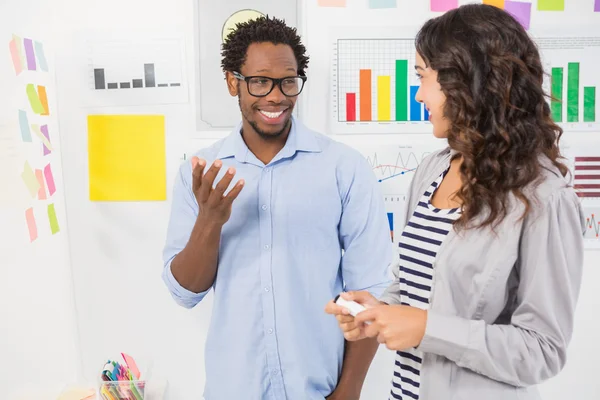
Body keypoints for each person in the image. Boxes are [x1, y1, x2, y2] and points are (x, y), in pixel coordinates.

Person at [325, 4, 586, 400]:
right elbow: (414, 288)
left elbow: (543, 351)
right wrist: (380, 311)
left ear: (466, 82)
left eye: (423, 78)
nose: (417, 94)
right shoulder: (433, 169)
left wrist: (427, 329)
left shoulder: (543, 197)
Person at [162, 16, 393, 400]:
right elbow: (185, 292)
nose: (276, 96)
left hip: (318, 390)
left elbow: (368, 289)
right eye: (259, 81)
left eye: (288, 81)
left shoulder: (343, 167)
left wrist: (349, 390)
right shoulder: (202, 173)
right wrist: (210, 221)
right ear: (232, 82)